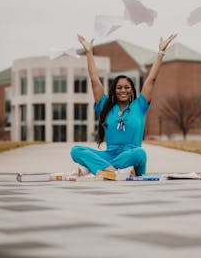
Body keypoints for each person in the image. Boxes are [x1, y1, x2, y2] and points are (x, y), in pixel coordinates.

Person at [70, 33, 176, 177]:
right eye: (119, 87)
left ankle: (100, 170)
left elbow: (151, 79)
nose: (123, 90)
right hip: (109, 156)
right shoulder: (105, 106)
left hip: (130, 157)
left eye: (127, 87)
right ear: (114, 90)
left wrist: (161, 52)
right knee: (76, 151)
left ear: (132, 89)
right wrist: (89, 52)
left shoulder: (140, 105)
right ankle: (114, 172)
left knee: (140, 153)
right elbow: (94, 80)